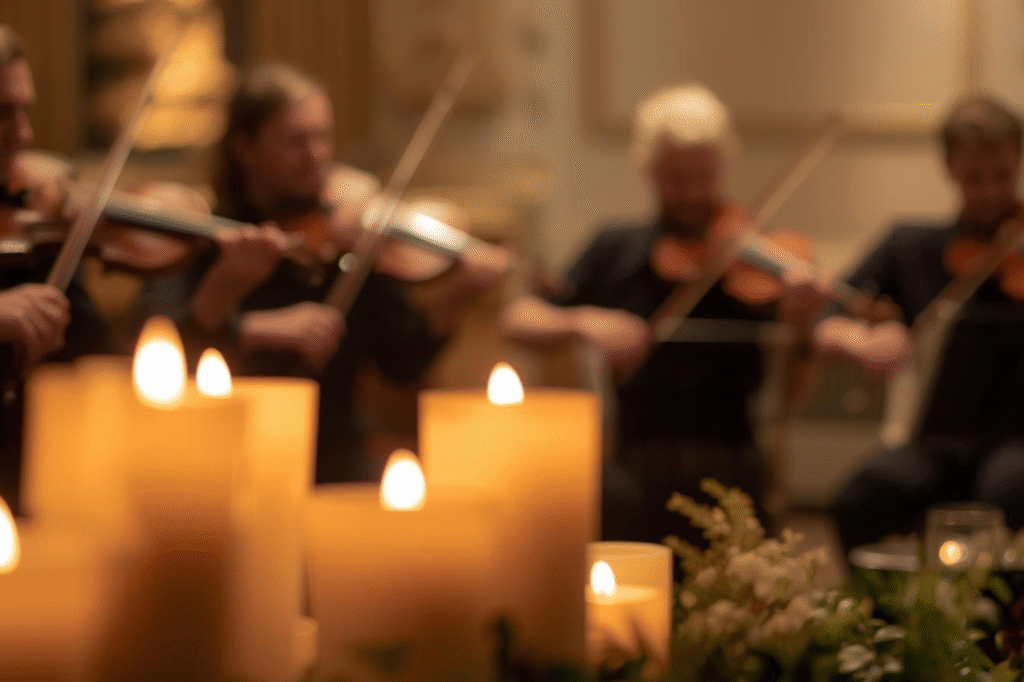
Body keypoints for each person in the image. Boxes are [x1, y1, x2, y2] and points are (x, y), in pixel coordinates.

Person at [133, 63, 507, 484]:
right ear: (245, 148)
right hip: (221, 465)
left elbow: (402, 362)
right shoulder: (202, 237)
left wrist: (458, 293)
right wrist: (253, 322)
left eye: (322, 136)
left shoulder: (346, 242)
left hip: (334, 462)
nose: (317, 156)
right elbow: (155, 346)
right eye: (296, 141)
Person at [502, 84, 827, 544]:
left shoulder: (761, 260)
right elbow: (518, 317)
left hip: (734, 462)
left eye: (704, 176)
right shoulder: (616, 249)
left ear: (723, 169)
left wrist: (802, 326)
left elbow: (792, 397)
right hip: (638, 463)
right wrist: (585, 321)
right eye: (677, 178)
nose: (693, 193)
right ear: (649, 170)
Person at [820, 94, 1024, 554]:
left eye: (1003, 175)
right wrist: (863, 338)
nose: (991, 191)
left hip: (1017, 439)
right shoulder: (912, 248)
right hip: (936, 439)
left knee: (1011, 491)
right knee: (860, 499)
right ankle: (884, 622)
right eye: (975, 177)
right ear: (949, 168)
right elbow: (829, 314)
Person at [0, 25, 111, 513]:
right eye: (2, 113)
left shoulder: (36, 230)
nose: (24, 134)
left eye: (26, 110)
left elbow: (96, 362)